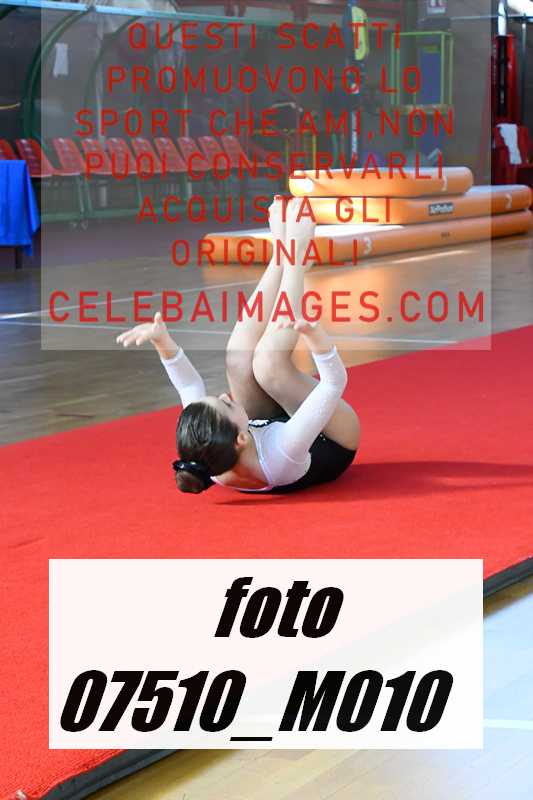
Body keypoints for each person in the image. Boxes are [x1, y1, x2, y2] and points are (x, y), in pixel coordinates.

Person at [116, 197, 360, 494]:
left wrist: (162, 342)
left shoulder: (207, 447)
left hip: (267, 430)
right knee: (269, 365)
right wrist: (315, 337)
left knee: (238, 360)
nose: (224, 395)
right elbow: (333, 383)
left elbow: (189, 385)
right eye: (227, 403)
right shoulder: (283, 450)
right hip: (330, 438)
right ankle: (295, 257)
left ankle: (279, 258)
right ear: (241, 439)